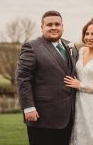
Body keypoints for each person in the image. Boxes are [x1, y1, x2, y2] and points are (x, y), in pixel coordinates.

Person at [15, 10, 78, 145]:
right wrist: (28, 107)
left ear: (62, 26)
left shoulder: (71, 46)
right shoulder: (32, 47)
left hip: (69, 117)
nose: (54, 27)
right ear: (42, 27)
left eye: (57, 24)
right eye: (49, 25)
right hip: (42, 118)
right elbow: (22, 77)